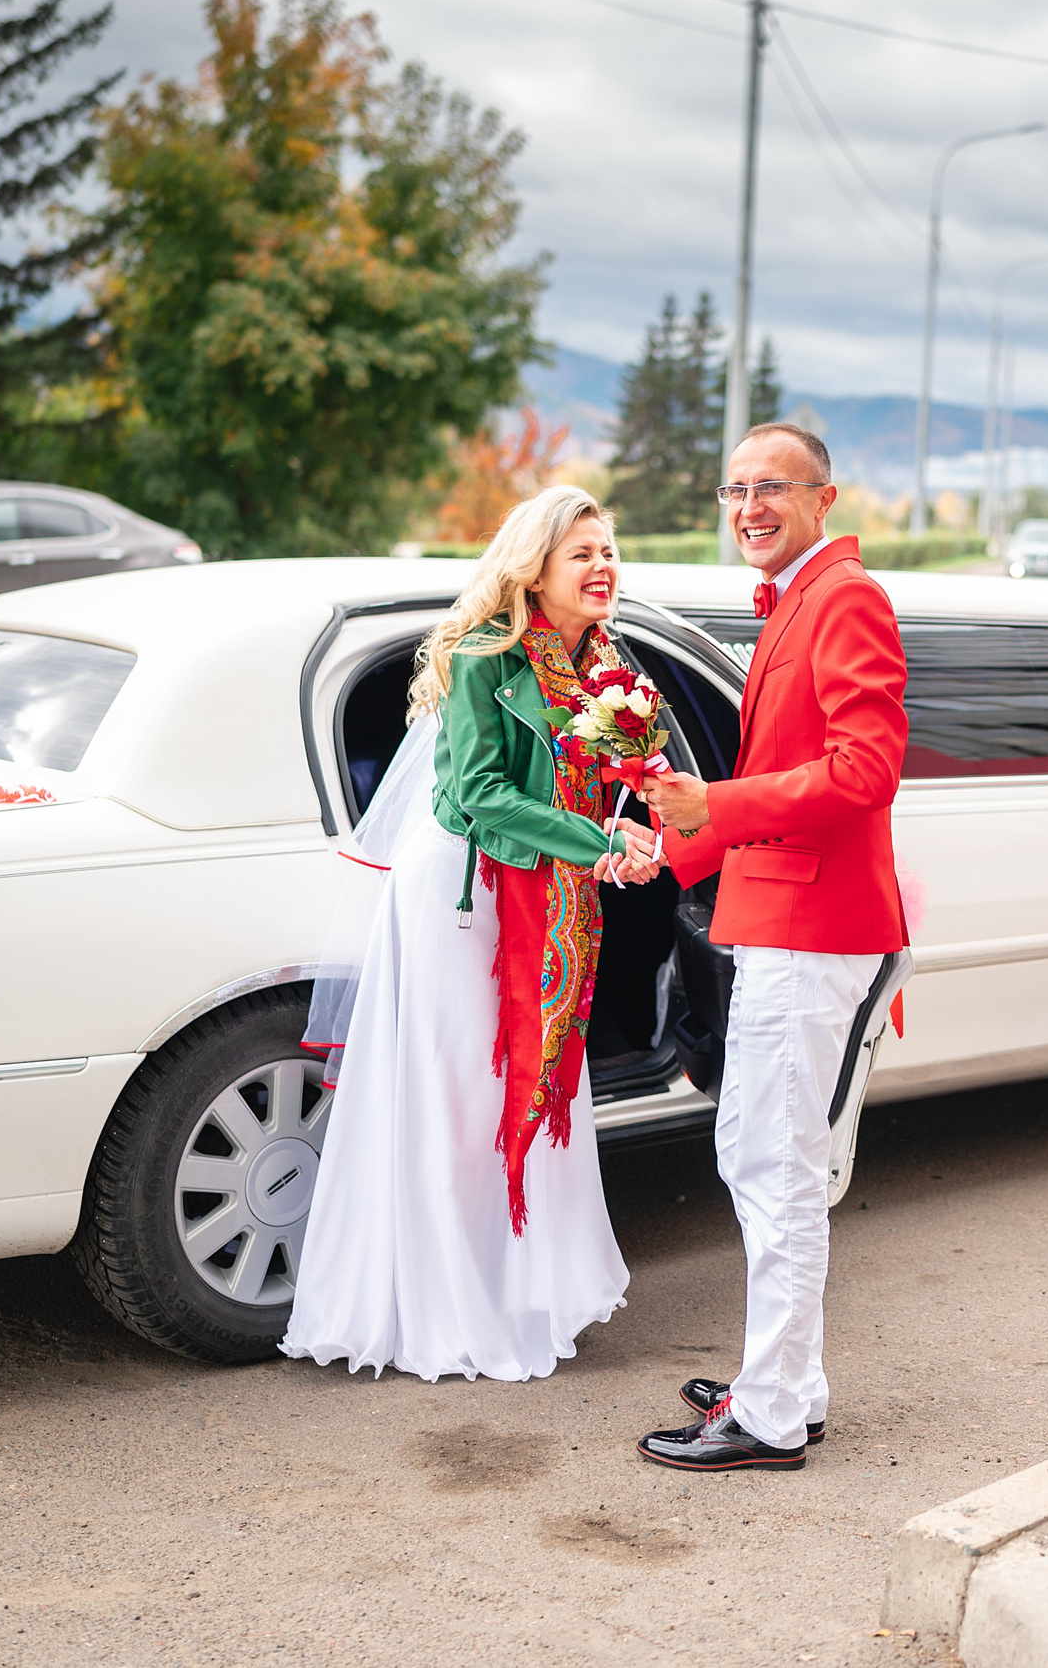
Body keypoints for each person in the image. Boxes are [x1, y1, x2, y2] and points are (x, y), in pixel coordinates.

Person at [282, 485, 660, 1382]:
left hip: (552, 891)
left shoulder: (607, 661)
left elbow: (621, 774)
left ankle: (516, 1283)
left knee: (523, 1090)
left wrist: (642, 828)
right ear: (535, 567)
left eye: (609, 550)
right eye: (584, 554)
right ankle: (447, 1302)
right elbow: (478, 796)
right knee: (460, 1094)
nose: (603, 566)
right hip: (465, 896)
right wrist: (598, 841)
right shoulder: (482, 655)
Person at [636, 423, 910, 1472]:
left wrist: (712, 800)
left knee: (775, 1164)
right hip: (779, 917)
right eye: (735, 488)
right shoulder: (793, 597)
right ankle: (783, 1379)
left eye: (773, 488)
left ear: (823, 497)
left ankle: (772, 1413)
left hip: (814, 926)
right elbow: (771, 794)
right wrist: (661, 846)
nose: (750, 505)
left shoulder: (845, 597)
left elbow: (862, 772)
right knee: (756, 1154)